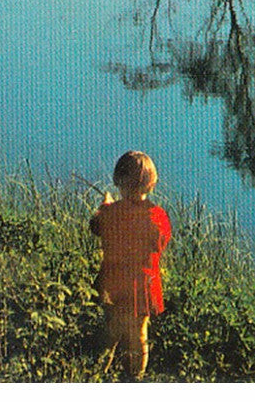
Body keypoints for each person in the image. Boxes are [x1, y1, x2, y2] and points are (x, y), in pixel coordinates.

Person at [90, 150, 172, 378]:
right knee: (139, 333)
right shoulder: (159, 217)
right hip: (144, 286)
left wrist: (104, 205)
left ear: (119, 182)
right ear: (151, 185)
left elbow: (96, 226)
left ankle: (97, 372)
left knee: (112, 329)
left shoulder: (111, 212)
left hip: (115, 284)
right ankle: (136, 378)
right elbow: (162, 241)